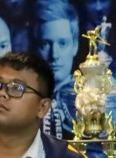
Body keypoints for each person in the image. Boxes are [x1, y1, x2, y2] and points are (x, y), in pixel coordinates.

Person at [32, 0, 81, 139]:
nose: (54, 55)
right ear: (35, 47)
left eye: (63, 43)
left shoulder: (89, 101)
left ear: (75, 46)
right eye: (45, 44)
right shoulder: (22, 99)